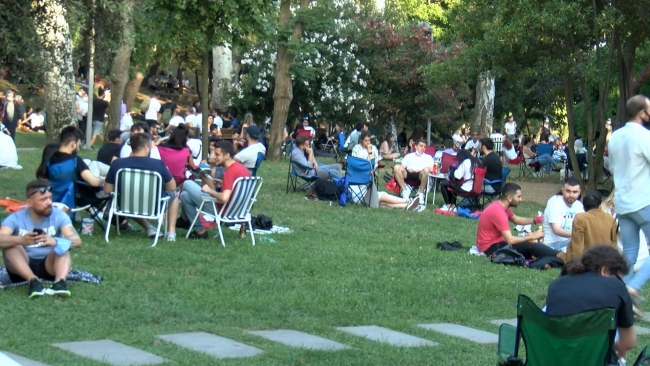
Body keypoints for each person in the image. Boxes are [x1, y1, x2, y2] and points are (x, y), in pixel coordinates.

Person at [546, 246, 636, 362]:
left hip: (554, 358)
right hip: (595, 360)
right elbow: (628, 342)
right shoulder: (616, 287)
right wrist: (617, 347)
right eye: (619, 278)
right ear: (605, 270)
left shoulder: (556, 284)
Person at [0, 180, 82, 297]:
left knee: (63, 245)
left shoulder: (58, 215)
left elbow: (77, 241)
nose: (49, 202)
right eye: (43, 200)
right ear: (30, 202)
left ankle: (59, 283)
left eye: (50, 198)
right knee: (11, 245)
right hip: (21, 267)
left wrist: (55, 241)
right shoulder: (15, 218)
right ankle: (33, 281)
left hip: (49, 265)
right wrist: (21, 240)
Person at [608, 95, 650, 314]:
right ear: (642, 113)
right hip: (643, 200)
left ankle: (619, 293)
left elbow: (613, 167)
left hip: (623, 202)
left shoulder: (615, 136)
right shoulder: (643, 136)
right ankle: (632, 288)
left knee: (630, 252)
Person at [104, 132, 180, 241]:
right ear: (146, 147)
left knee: (130, 196)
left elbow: (107, 190)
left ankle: (149, 227)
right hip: (154, 206)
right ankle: (171, 232)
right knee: (175, 196)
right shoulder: (158, 164)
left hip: (124, 205)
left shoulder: (118, 163)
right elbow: (172, 188)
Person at [177, 141, 250, 239]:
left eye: (217, 154)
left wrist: (209, 190)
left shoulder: (229, 172)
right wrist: (222, 182)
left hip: (221, 209)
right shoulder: (242, 169)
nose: (214, 157)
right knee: (184, 196)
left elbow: (224, 198)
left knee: (187, 183)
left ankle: (184, 219)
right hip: (238, 210)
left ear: (227, 156)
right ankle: (200, 231)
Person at [476, 182, 558, 259]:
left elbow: (516, 219)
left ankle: (556, 255)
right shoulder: (499, 212)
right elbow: (510, 240)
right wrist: (533, 236)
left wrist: (534, 220)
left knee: (529, 244)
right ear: (510, 198)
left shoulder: (501, 205)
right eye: (518, 196)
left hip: (497, 243)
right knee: (530, 246)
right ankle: (559, 256)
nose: (521, 199)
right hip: (490, 248)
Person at [36, 126, 104, 190]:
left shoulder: (50, 160)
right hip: (71, 199)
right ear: (73, 144)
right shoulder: (76, 161)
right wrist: (103, 179)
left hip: (53, 199)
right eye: (78, 145)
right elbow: (94, 182)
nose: (78, 148)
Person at [558, 191, 617, 262]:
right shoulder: (610, 218)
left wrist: (577, 265)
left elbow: (577, 246)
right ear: (599, 205)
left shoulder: (580, 218)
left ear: (584, 207)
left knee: (549, 253)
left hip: (586, 261)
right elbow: (614, 243)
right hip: (606, 260)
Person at [542, 177, 584, 250]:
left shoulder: (579, 205)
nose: (571, 195)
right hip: (553, 244)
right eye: (568, 191)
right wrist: (577, 236)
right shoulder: (555, 202)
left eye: (575, 192)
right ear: (563, 190)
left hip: (572, 241)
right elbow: (557, 230)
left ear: (579, 192)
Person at [393, 139, 433, 204]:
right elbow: (402, 167)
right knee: (397, 167)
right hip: (408, 173)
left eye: (424, 147)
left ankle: (421, 194)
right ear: (416, 146)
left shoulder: (428, 157)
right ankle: (405, 191)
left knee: (426, 170)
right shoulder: (409, 156)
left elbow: (431, 169)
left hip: (421, 174)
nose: (423, 148)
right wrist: (407, 169)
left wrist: (421, 169)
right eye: (421, 146)